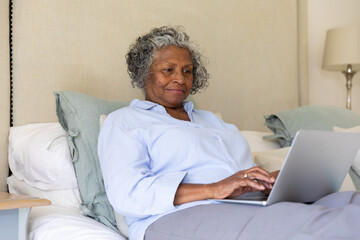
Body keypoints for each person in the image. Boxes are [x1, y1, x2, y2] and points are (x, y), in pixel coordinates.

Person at [98, 26, 360, 240]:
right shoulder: (125, 122)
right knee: (329, 226)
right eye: (169, 70)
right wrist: (215, 189)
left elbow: (239, 177)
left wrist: (269, 182)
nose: (180, 78)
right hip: (173, 217)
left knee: (353, 203)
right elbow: (128, 194)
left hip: (248, 206)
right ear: (145, 73)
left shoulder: (212, 122)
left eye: (187, 71)